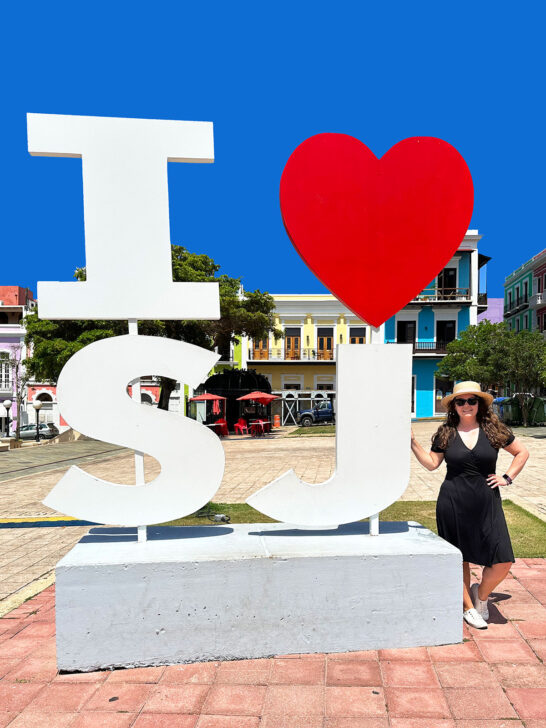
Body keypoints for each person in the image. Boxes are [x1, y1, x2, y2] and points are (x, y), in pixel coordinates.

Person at [411, 381, 529, 630]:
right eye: (460, 401)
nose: (466, 405)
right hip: (453, 500)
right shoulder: (446, 432)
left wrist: (507, 478)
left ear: (479, 404)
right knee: (460, 558)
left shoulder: (493, 430)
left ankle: (481, 597)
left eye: (471, 401)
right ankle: (468, 608)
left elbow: (522, 453)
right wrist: (412, 443)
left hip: (487, 501)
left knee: (502, 559)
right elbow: (433, 463)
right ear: (454, 405)